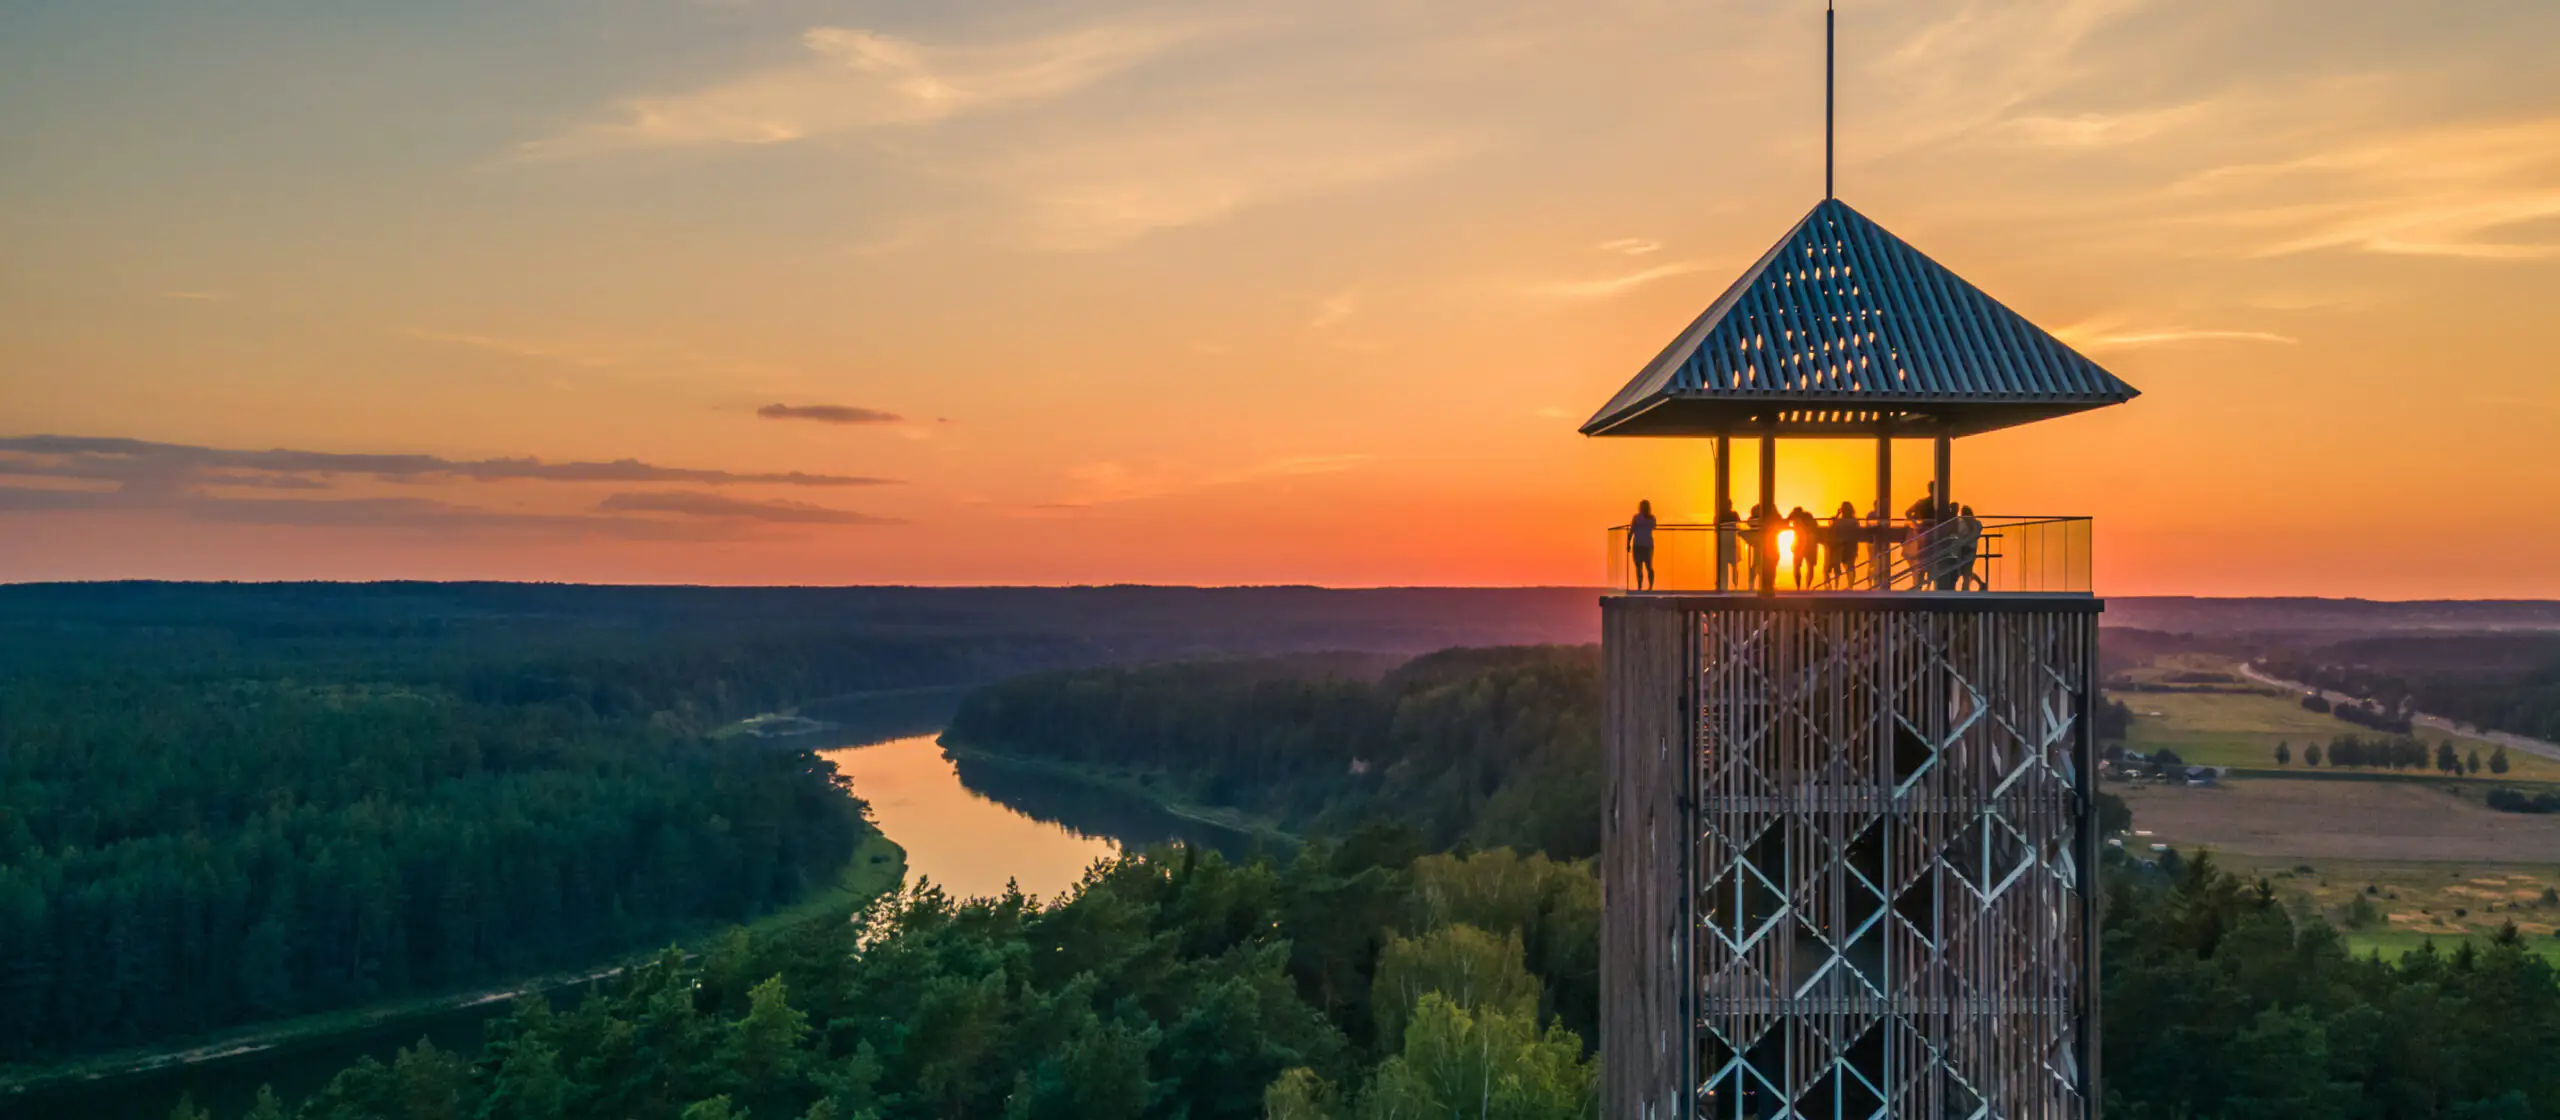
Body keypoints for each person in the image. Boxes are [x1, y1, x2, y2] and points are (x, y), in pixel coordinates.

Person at [1826, 501, 1862, 584]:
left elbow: (1831, 527)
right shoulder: (1854, 521)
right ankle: (1850, 585)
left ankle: (1836, 586)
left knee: (1837, 566)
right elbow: (1857, 532)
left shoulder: (1840, 522)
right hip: (1851, 546)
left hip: (1840, 546)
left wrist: (1837, 515)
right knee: (1850, 567)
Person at [1954, 504, 1987, 591]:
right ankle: (1978, 584)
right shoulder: (1977, 524)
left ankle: (1965, 589)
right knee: (1966, 571)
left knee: (1964, 571)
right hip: (1971, 549)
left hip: (1963, 549)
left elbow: (1959, 535)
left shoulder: (1962, 524)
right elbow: (1977, 534)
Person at [1787, 505, 1821, 589]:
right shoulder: (1808, 516)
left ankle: (1798, 587)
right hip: (1810, 543)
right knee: (1809, 566)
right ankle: (1807, 587)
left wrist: (1790, 516)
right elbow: (1816, 526)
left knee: (1797, 566)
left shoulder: (1796, 518)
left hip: (1800, 543)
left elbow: (1785, 522)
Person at [1628, 499, 1657, 591]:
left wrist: (1628, 543)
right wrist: (1628, 543)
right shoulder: (1647, 518)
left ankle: (1646, 587)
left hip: (1644, 545)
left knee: (1646, 567)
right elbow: (1631, 531)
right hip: (1641, 545)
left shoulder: (1642, 518)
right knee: (1641, 567)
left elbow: (1631, 531)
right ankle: (1642, 586)